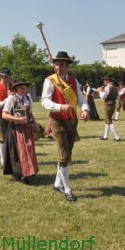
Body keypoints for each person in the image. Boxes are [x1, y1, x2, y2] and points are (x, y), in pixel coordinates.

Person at [41, 51, 89, 202]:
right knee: (64, 155)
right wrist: (59, 107)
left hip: (72, 120)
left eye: (62, 64)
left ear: (67, 66)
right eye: (56, 64)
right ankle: (67, 189)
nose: (58, 67)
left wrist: (85, 110)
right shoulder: (50, 81)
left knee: (67, 154)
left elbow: (82, 99)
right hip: (57, 120)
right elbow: (44, 101)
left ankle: (57, 183)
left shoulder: (74, 81)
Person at [2, 79, 39, 183]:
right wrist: (17, 119)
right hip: (15, 129)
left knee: (29, 149)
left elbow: (30, 114)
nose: (24, 89)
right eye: (22, 87)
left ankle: (29, 171)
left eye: (25, 87)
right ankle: (21, 174)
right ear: (16, 89)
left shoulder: (28, 98)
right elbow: (4, 115)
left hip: (27, 128)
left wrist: (35, 125)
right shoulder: (11, 99)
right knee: (19, 151)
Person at [98, 76, 121, 141]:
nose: (103, 81)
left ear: (107, 80)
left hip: (108, 105)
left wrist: (100, 91)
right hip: (113, 105)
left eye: (104, 80)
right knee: (107, 120)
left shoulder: (107, 88)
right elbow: (118, 97)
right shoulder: (116, 88)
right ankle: (105, 136)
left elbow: (102, 97)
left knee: (109, 121)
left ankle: (117, 137)